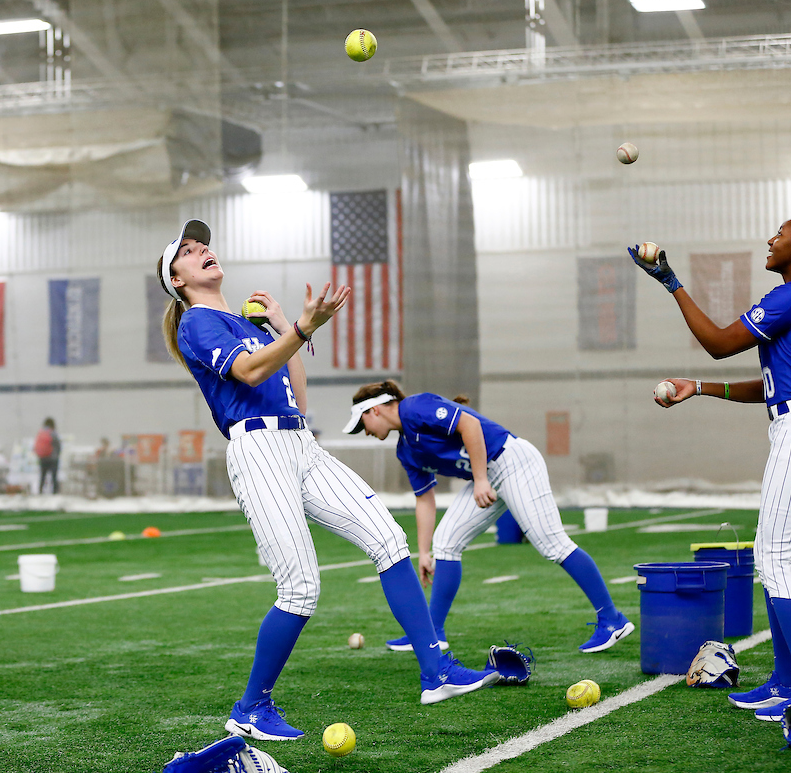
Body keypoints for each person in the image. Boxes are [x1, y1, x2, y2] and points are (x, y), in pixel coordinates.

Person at [157, 218, 498, 742]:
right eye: (188, 249)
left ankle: (438, 672)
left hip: (299, 442)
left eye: (203, 243)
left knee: (389, 539)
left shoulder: (242, 321)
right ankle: (250, 707)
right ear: (177, 280)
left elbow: (297, 389)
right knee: (299, 589)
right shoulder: (197, 322)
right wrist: (300, 330)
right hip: (259, 449)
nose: (202, 248)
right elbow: (248, 375)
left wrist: (283, 327)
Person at [630, 216, 791, 742]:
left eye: (781, 233)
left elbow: (718, 341)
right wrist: (702, 389)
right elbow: (773, 382)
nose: (771, 239)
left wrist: (670, 281)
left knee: (776, 561)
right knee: (777, 559)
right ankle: (785, 681)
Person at [343, 382, 633, 653]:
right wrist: (422, 551)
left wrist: (480, 479)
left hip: (512, 461)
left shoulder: (414, 407)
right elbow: (425, 499)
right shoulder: (405, 449)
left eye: (362, 424)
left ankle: (612, 619)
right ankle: (433, 632)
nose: (364, 431)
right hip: (489, 473)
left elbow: (470, 424)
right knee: (445, 542)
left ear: (374, 410)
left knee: (552, 544)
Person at [35, 418, 62, 494]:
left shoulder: (41, 432)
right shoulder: (53, 433)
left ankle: (40, 490)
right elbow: (58, 446)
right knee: (54, 476)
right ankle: (55, 492)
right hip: (53, 458)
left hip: (42, 458)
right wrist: (57, 455)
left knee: (43, 475)